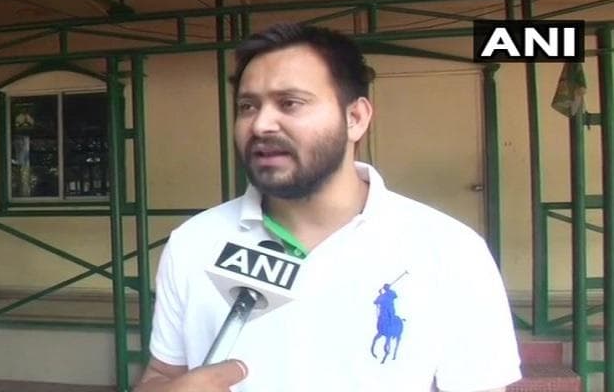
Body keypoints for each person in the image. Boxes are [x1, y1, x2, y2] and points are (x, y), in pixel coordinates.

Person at [135, 23, 521, 392]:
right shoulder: (194, 243)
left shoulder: (450, 250)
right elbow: (162, 373)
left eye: (290, 103)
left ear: (355, 118)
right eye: (247, 106)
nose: (261, 124)